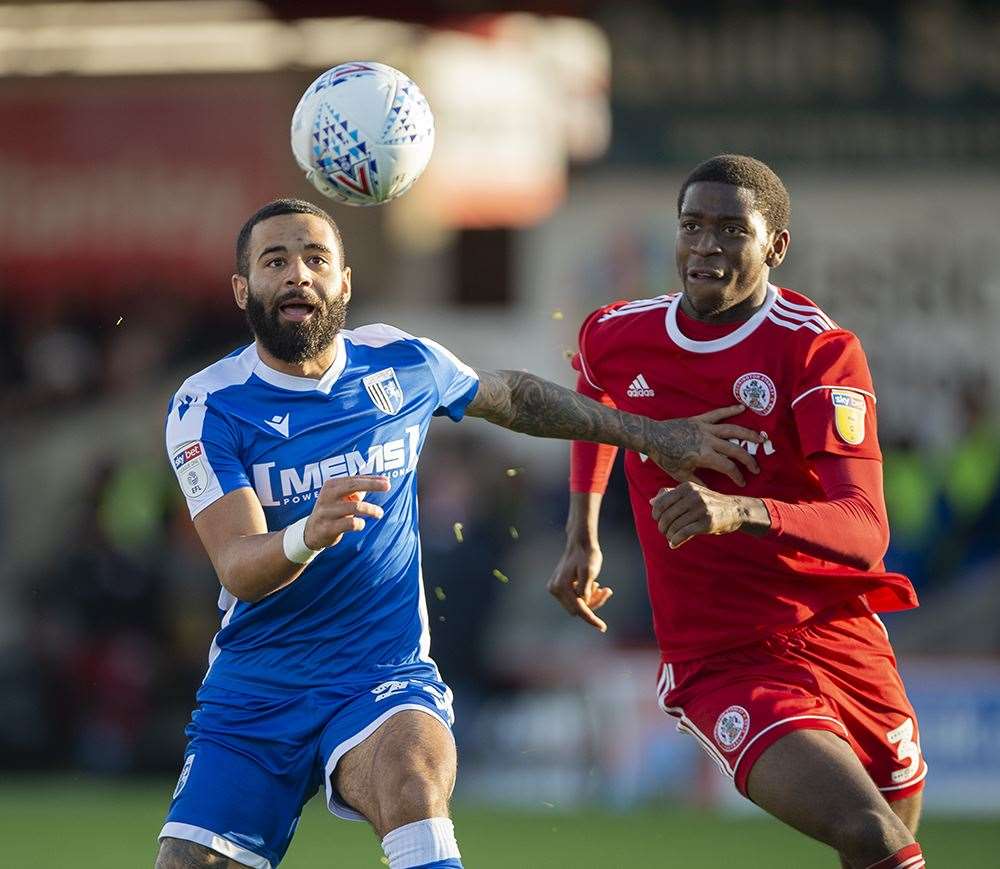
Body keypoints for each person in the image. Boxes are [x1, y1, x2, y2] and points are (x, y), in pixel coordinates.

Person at [155, 197, 763, 869]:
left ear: (345, 282)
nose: (298, 274)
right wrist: (308, 533)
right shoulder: (207, 403)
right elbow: (239, 565)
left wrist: (653, 434)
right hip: (256, 687)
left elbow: (514, 399)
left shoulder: (401, 362)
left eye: (316, 259)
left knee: (412, 782)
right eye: (276, 261)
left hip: (379, 674)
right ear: (243, 289)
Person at [550, 155, 927, 869]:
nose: (706, 245)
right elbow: (593, 395)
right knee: (874, 836)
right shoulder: (618, 332)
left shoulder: (816, 350)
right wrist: (582, 529)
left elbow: (866, 529)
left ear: (774, 246)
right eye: (693, 225)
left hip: (838, 634)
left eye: (731, 228)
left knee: (886, 838)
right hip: (720, 655)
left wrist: (738, 509)